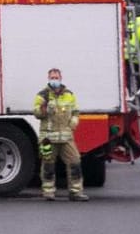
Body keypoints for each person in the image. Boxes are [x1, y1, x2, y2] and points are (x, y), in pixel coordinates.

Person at [32, 69, 88, 201]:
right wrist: (42, 109)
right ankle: (48, 192)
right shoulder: (42, 95)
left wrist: (73, 124)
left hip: (66, 137)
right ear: (48, 78)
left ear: (61, 78)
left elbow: (75, 112)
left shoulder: (69, 95)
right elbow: (36, 114)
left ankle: (76, 192)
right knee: (47, 164)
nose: (54, 80)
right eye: (52, 77)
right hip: (47, 138)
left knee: (75, 162)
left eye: (56, 77)